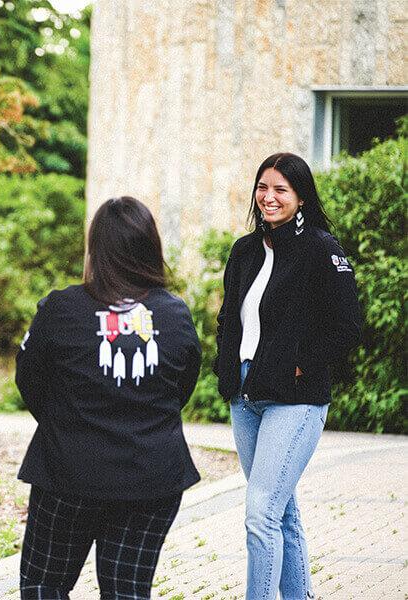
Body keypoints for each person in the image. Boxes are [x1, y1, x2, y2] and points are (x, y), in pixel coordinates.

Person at [15, 196, 202, 599]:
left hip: (68, 473)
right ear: (150, 246)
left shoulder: (60, 308)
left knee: (42, 586)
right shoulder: (176, 315)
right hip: (150, 477)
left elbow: (29, 380)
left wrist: (66, 421)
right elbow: (180, 387)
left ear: (95, 247)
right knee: (127, 593)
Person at [214, 153, 362, 600]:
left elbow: (349, 326)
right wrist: (226, 374)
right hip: (246, 396)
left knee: (260, 514)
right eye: (263, 187)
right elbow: (228, 320)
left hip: (296, 400)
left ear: (300, 196)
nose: (269, 197)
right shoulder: (244, 251)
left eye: (281, 189)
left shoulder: (322, 248)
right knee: (282, 512)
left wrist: (303, 365)